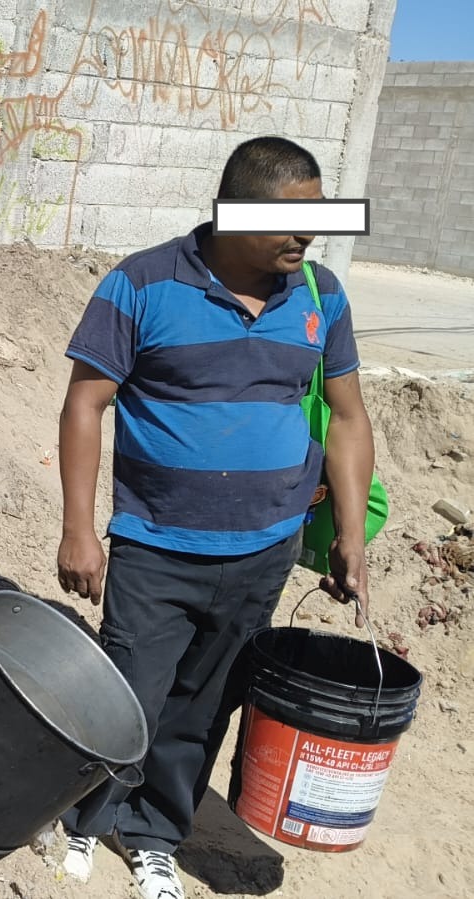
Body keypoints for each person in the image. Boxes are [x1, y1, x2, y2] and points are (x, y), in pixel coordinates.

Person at [53, 136, 377, 899]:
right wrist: (77, 527)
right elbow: (84, 403)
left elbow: (347, 417)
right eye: (289, 217)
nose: (308, 233)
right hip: (156, 543)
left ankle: (154, 834)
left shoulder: (321, 295)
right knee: (128, 688)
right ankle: (83, 816)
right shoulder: (140, 285)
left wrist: (349, 536)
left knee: (205, 701)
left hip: (265, 548)